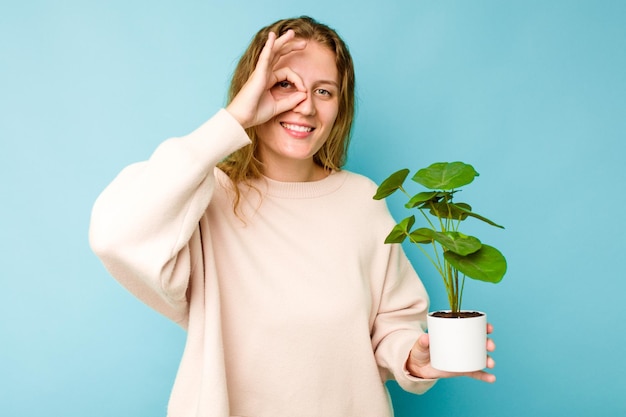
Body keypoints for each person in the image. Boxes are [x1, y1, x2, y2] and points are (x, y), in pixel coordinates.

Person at [89, 16, 496, 417]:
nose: (305, 106)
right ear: (252, 88)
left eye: (324, 91)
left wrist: (412, 358)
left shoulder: (362, 198)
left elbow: (391, 322)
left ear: (341, 106)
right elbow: (116, 234)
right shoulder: (204, 195)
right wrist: (233, 120)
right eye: (285, 85)